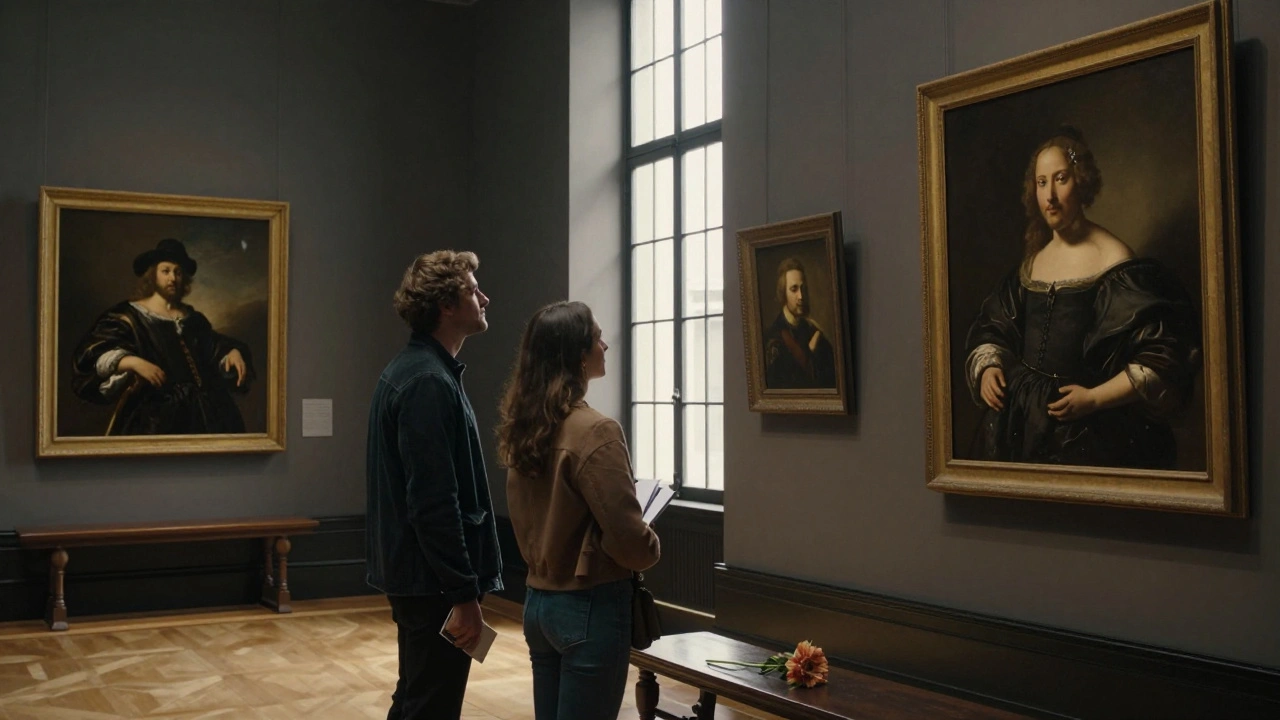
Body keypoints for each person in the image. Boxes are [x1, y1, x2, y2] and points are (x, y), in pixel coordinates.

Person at [963, 126, 1201, 468]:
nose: (1050, 196)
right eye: (1042, 182)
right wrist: (988, 369)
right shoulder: (1033, 262)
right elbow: (995, 325)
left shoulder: (1114, 260)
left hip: (1086, 422)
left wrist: (1093, 399)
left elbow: (1162, 353)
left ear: (1083, 181)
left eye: (1060, 178)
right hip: (1019, 420)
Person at [498, 301, 661, 720]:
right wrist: (650, 543)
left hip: (537, 602)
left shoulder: (525, 427)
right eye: (596, 338)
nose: (605, 345)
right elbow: (629, 541)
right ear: (577, 355)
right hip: (588, 606)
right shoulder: (596, 431)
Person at [365, 250, 503, 720]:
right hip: (433, 584)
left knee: (416, 700)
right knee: (431, 707)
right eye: (472, 289)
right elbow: (433, 503)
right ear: (446, 304)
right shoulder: (427, 381)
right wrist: (463, 594)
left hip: (424, 579)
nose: (484, 297)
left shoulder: (422, 372)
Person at [70, 238, 253, 435]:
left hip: (208, 414)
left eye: (178, 272)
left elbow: (212, 346)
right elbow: (92, 353)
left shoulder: (194, 319)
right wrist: (132, 362)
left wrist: (230, 351)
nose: (173, 278)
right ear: (152, 275)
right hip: (155, 417)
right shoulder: (129, 316)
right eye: (166, 271)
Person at [763, 257, 836, 388]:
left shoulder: (813, 330)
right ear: (782, 293)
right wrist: (810, 352)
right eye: (794, 289)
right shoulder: (773, 337)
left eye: (803, 288)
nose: (801, 296)